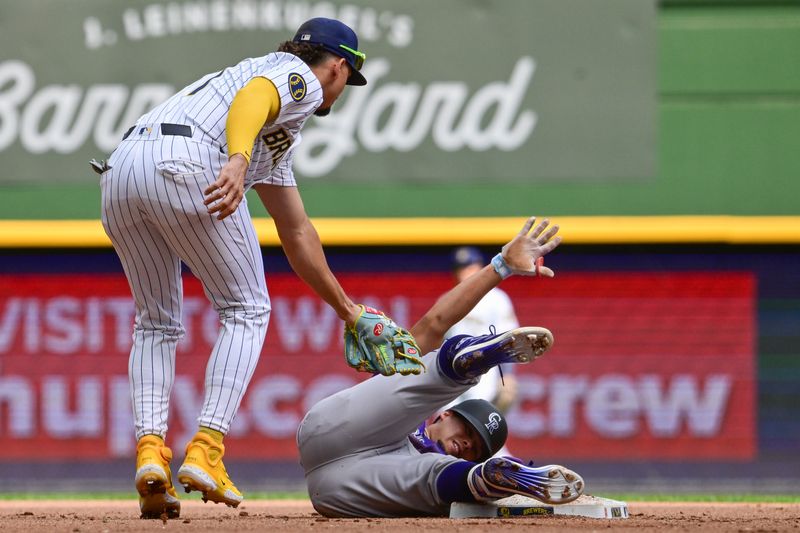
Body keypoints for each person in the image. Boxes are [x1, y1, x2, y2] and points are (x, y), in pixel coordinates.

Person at [98, 18, 372, 519]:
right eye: (346, 78)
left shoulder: (274, 137)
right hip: (190, 159)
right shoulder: (297, 75)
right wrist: (238, 158)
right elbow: (257, 95)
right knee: (248, 308)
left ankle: (150, 454)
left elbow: (297, 232)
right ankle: (206, 448)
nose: (341, 88)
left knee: (156, 322)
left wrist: (348, 311)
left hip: (122, 170)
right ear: (338, 66)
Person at [298, 217, 585, 517]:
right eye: (468, 431)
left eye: (474, 448)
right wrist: (501, 266)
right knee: (412, 373)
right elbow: (435, 324)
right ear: (446, 413)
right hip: (333, 430)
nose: (465, 443)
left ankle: (488, 479)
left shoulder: (437, 463)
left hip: (337, 491)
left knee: (438, 480)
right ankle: (462, 363)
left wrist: (480, 473)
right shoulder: (410, 412)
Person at [443, 247, 520, 441]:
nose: (464, 272)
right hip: (448, 376)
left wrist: (507, 377)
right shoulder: (447, 299)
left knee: (478, 431)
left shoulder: (497, 299)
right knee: (453, 435)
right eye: (460, 268)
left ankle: (501, 467)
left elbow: (508, 339)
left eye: (469, 267)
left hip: (483, 373)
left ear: (480, 268)